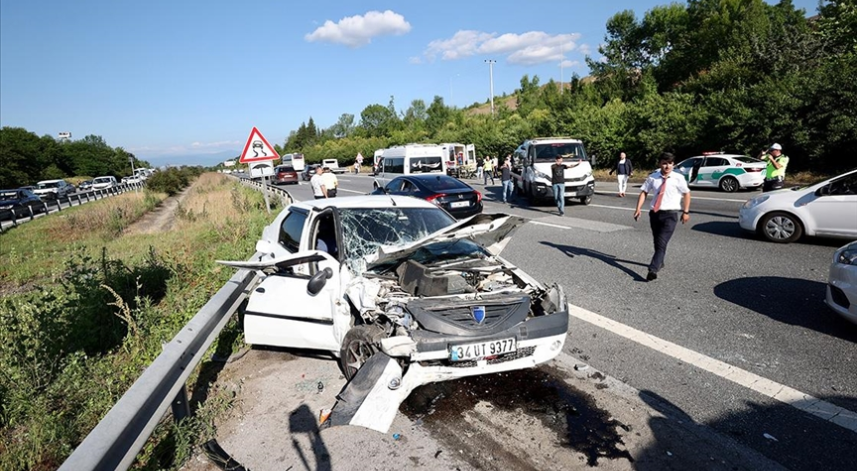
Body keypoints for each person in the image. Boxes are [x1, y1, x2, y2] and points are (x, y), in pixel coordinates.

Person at [633, 152, 691, 282]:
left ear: (673, 164)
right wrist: (638, 209)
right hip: (655, 214)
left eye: (670, 163)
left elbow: (687, 194)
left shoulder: (678, 178)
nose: (667, 166)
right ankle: (660, 262)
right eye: (664, 163)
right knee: (657, 241)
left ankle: (652, 269)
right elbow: (644, 193)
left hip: (670, 215)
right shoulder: (653, 177)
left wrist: (685, 212)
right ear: (659, 164)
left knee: (662, 242)